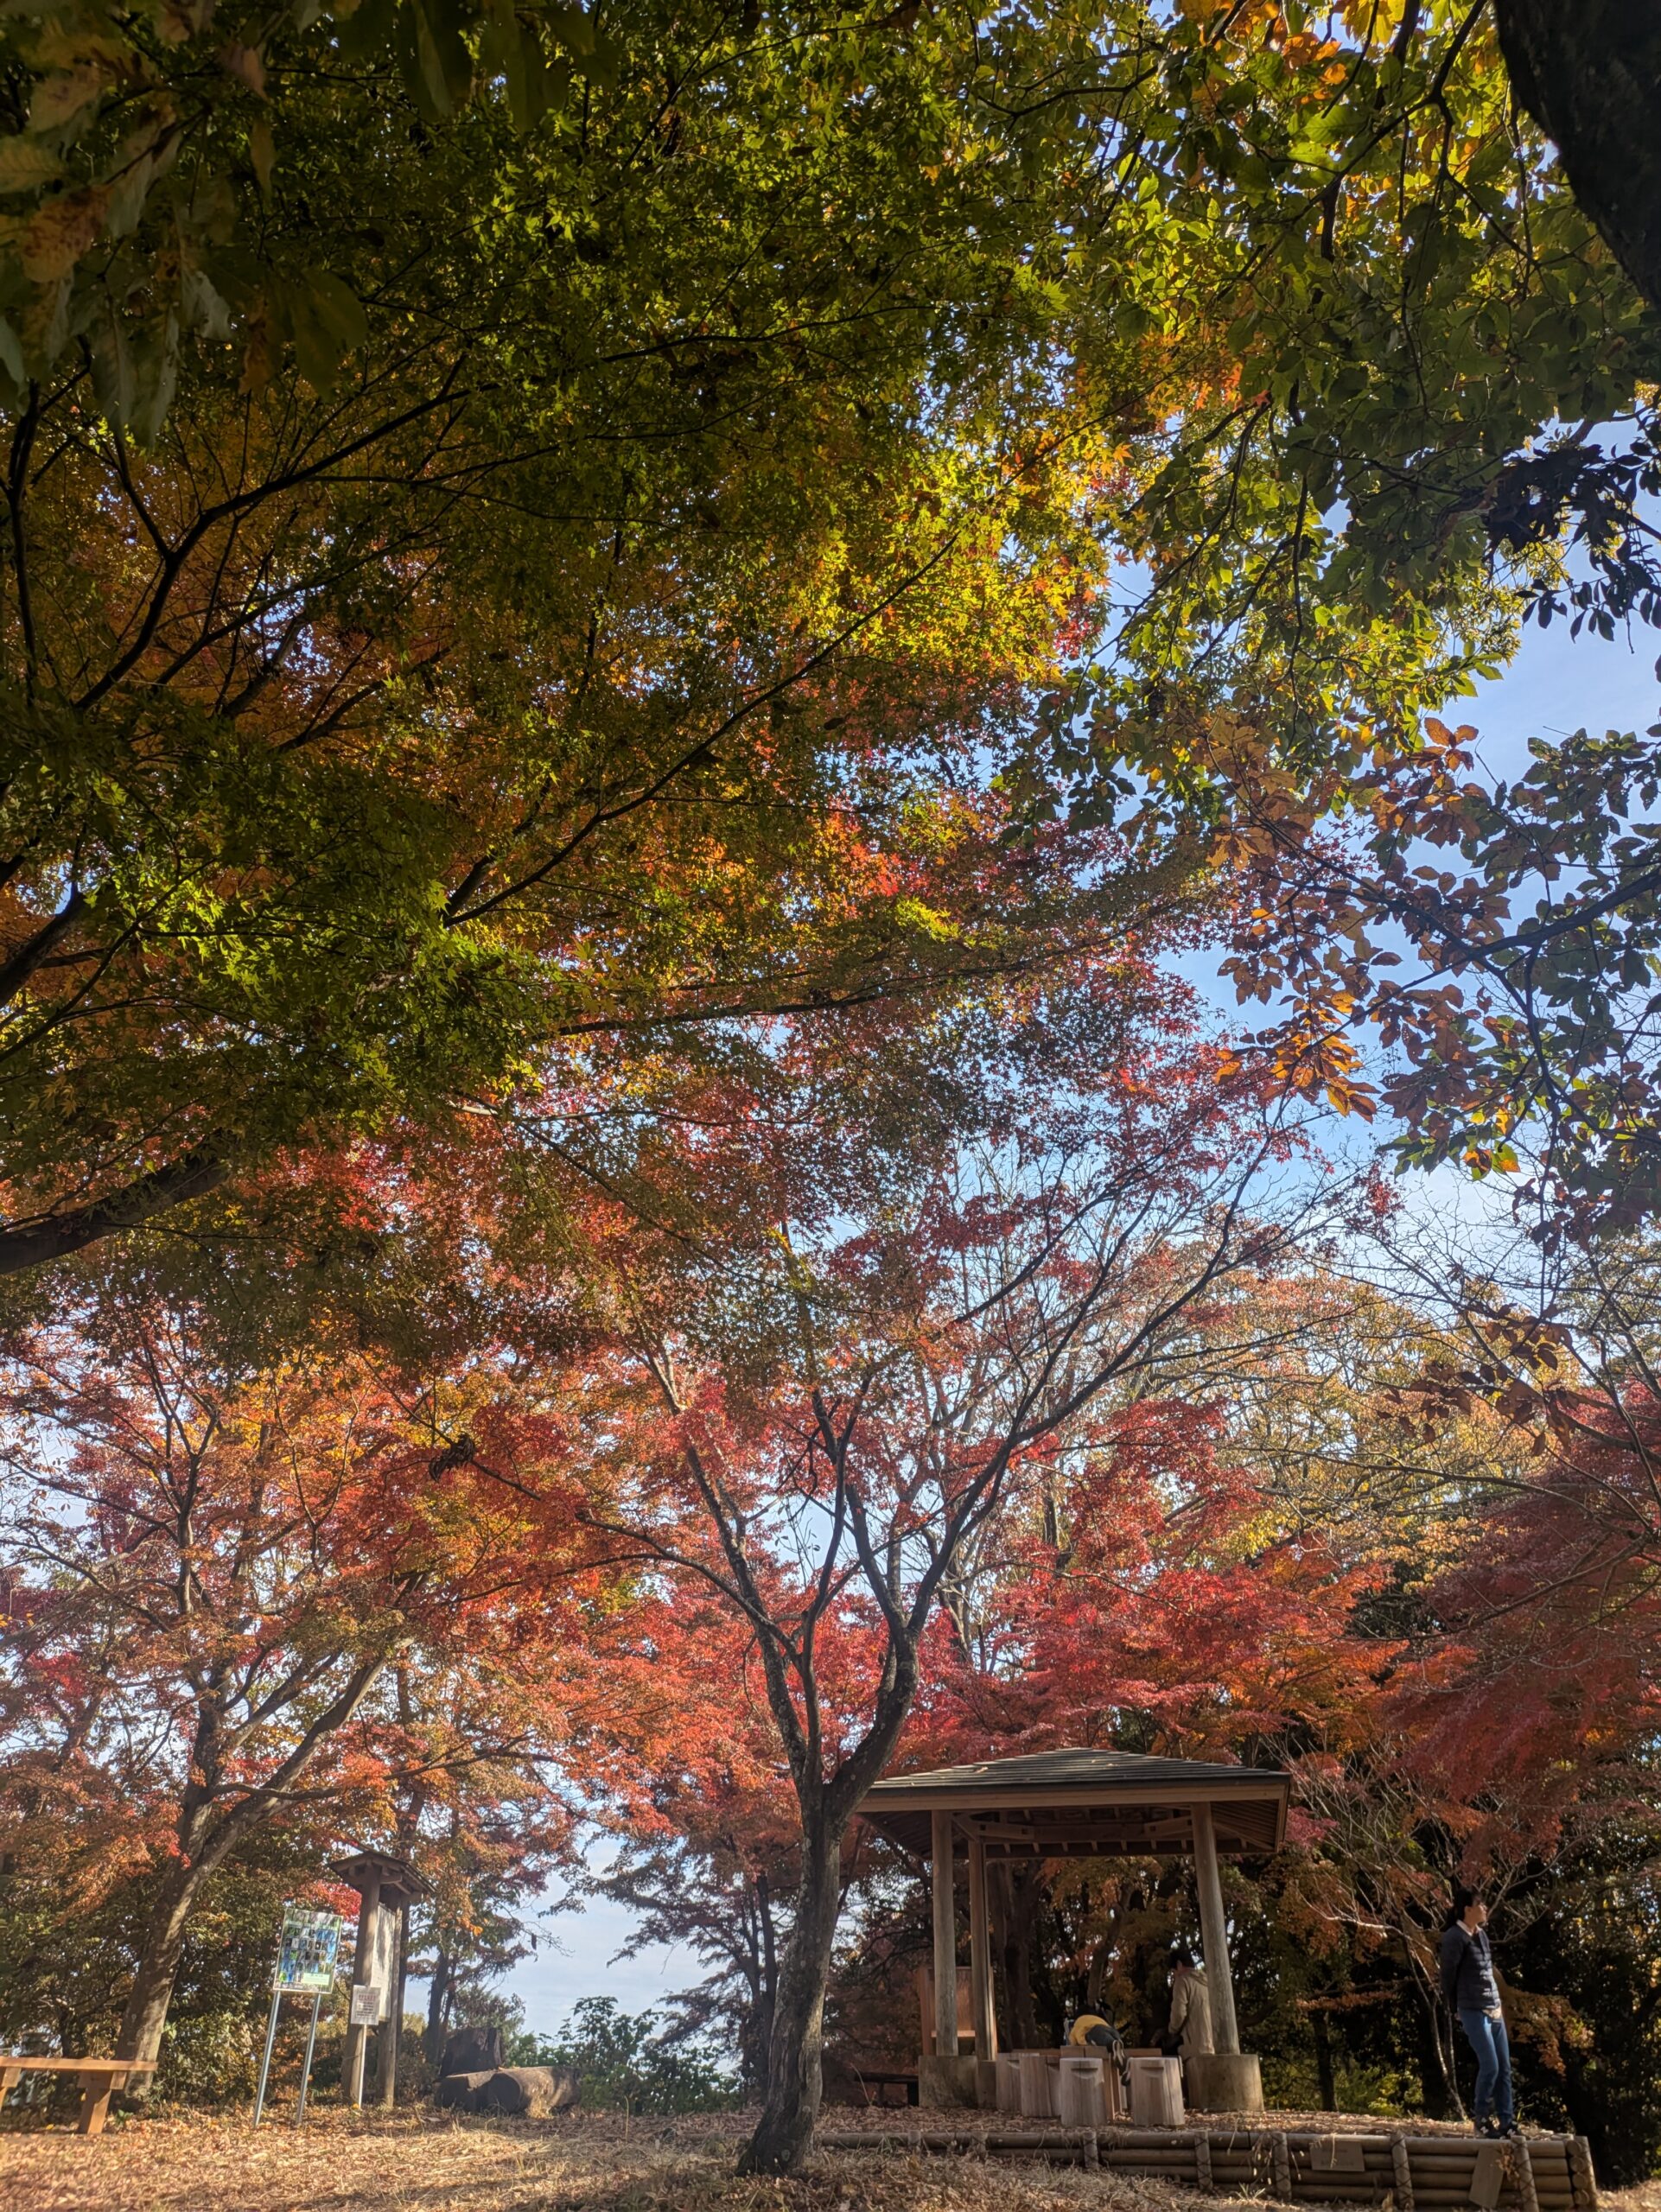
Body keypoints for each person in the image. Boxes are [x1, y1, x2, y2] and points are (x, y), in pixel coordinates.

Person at [1439, 1885, 1515, 2138]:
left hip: (1493, 2008)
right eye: (1480, 1904)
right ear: (1467, 1910)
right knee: (1490, 2065)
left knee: (1504, 2067)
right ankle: (1481, 2119)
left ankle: (1507, 2122)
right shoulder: (1453, 1937)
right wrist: (1453, 2007)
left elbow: (1487, 1971)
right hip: (1471, 2009)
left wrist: (1498, 2005)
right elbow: (1447, 1976)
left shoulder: (1481, 1935)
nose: (1485, 1908)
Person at [1165, 1947, 1213, 2058]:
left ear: (1179, 1964)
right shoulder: (1207, 1983)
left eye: (1173, 1972)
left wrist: (1171, 2030)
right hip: (1212, 2046)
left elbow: (1178, 2015)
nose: (1174, 1976)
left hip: (1193, 2047)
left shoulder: (1183, 1981)